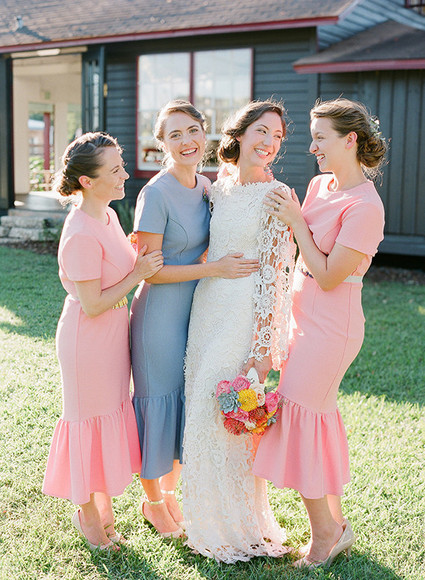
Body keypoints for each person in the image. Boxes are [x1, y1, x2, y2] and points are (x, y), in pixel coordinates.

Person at [253, 98, 387, 568]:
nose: (312, 148)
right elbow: (299, 252)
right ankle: (337, 524)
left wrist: (295, 221)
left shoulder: (366, 207)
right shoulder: (318, 185)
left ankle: (326, 534)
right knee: (316, 419)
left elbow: (329, 275)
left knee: (300, 418)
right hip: (299, 314)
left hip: (333, 326)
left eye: (320, 139)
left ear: (350, 140)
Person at [130, 100, 259, 539]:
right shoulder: (155, 193)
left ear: (205, 134)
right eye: (174, 135)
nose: (186, 141)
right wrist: (214, 269)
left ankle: (169, 496)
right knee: (157, 406)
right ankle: (152, 503)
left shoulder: (206, 185)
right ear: (161, 144)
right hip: (159, 318)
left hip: (195, 314)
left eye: (192, 131)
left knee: (182, 404)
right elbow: (150, 270)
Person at [182, 100, 296, 562]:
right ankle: (203, 519)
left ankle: (238, 525)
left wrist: (263, 349)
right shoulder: (219, 187)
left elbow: (275, 274)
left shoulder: (278, 195)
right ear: (241, 133)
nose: (269, 143)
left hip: (244, 315)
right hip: (207, 308)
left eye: (277, 137)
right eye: (262, 131)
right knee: (201, 409)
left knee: (227, 418)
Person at [43, 132, 163, 550]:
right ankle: (88, 515)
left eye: (122, 165)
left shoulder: (108, 216)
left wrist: (131, 256)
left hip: (112, 338)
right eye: (115, 170)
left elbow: (113, 266)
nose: (124, 174)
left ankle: (102, 508)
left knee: (106, 418)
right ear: (87, 181)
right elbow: (92, 304)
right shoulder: (79, 232)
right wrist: (138, 273)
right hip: (87, 342)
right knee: (86, 424)